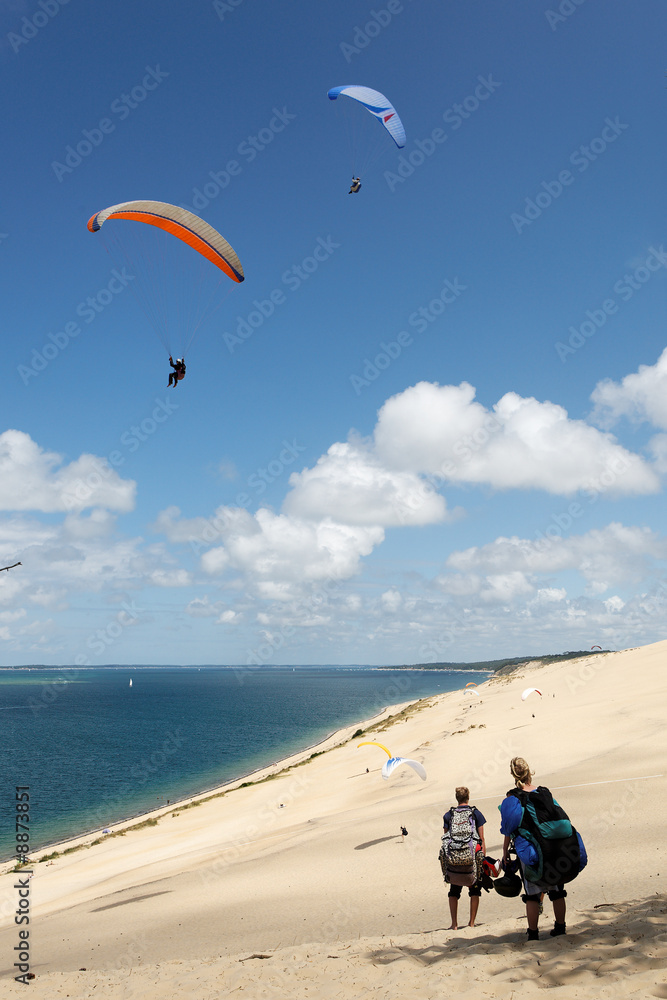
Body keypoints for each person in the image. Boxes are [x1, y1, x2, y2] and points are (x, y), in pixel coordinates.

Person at [500, 757, 568, 941]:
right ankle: (560, 928)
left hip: (529, 849)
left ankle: (533, 933)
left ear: (513, 774)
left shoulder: (512, 796)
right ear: (530, 772)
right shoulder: (544, 792)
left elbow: (508, 827)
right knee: (556, 890)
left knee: (532, 893)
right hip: (552, 846)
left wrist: (505, 851)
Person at [443, 786, 486, 928]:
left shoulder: (449, 815)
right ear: (468, 797)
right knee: (474, 889)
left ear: (457, 798)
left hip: (454, 858)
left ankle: (454, 924)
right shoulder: (475, 814)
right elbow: (481, 838)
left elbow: (446, 838)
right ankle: (472, 922)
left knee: (453, 891)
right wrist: (483, 859)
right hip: (471, 857)